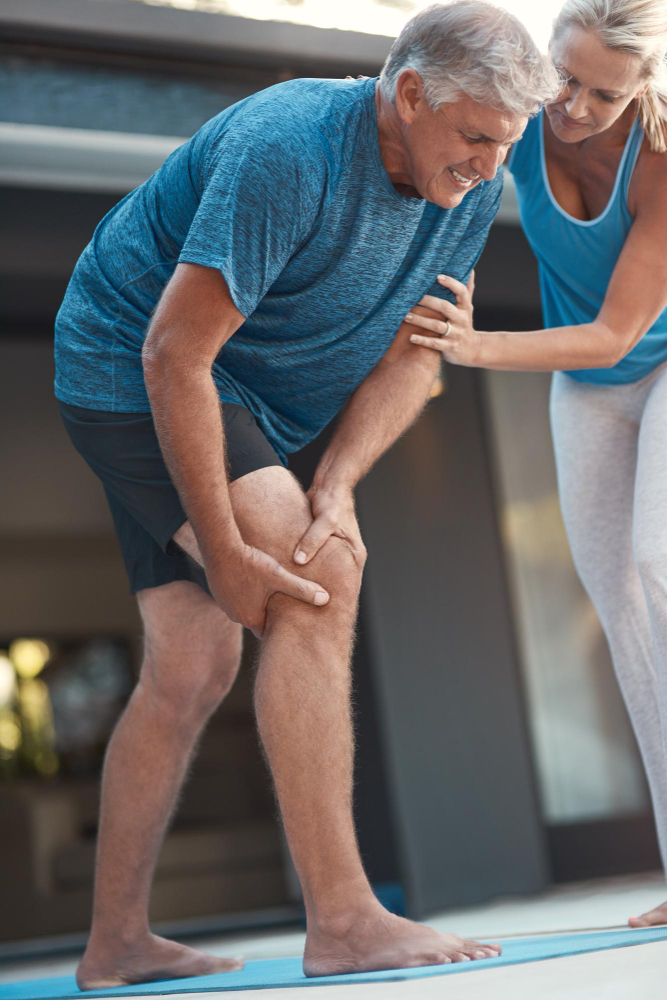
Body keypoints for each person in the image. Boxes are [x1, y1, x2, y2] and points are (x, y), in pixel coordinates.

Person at [54, 1, 556, 987]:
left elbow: (419, 354)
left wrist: (336, 480)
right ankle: (345, 918)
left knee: (194, 665)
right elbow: (174, 351)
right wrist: (229, 542)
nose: (489, 169)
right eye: (474, 140)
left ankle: (113, 944)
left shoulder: (460, 188)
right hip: (132, 367)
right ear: (408, 94)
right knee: (312, 573)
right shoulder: (289, 147)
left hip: (238, 402)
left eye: (506, 145)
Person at [403, 0, 667, 931]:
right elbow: (437, 183)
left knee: (651, 563)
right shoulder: (519, 125)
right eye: (567, 77)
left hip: (649, 360)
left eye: (605, 91)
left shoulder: (662, 160)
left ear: (641, 87)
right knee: (618, 604)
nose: (577, 106)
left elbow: (610, 335)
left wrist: (471, 349)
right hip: (588, 390)